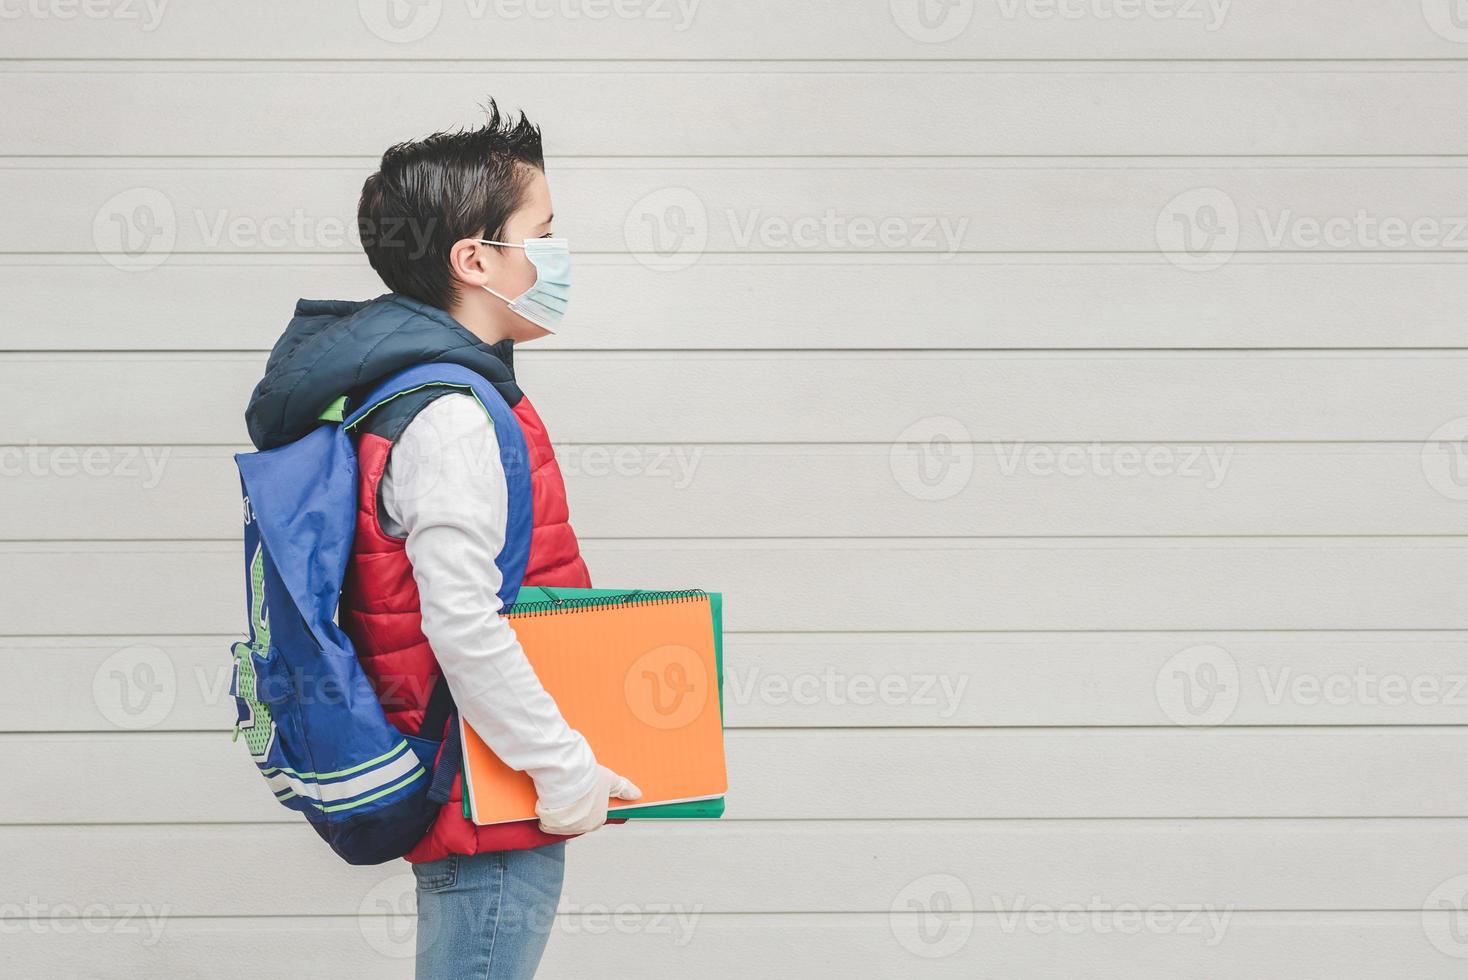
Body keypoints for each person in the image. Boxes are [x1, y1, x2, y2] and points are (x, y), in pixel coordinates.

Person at [242, 100, 639, 980]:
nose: (556, 254)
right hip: (488, 793)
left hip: (482, 782)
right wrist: (564, 766)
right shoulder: (453, 415)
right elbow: (463, 621)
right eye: (543, 231)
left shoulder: (424, 392)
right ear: (476, 259)